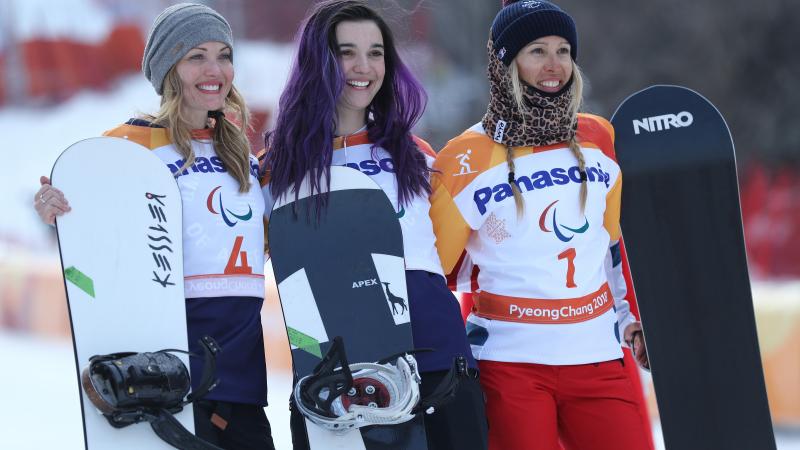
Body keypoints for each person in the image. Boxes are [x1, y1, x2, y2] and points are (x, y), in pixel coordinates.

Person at [33, 4, 275, 449]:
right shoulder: (128, 145)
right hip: (162, 377)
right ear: (169, 67)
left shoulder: (241, 155)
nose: (214, 69)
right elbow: (90, 240)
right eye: (196, 56)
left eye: (224, 55)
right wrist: (55, 211)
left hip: (241, 381)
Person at [262, 1, 488, 449]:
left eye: (376, 52)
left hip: (438, 364)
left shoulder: (416, 155)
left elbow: (452, 257)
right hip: (334, 377)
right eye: (347, 52)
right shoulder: (278, 171)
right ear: (318, 61)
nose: (364, 66)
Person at [429, 1, 652, 449]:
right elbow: (437, 271)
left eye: (564, 50)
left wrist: (635, 320)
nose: (554, 66)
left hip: (598, 358)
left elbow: (611, 246)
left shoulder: (599, 137)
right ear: (506, 63)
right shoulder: (464, 157)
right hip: (508, 364)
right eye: (537, 51)